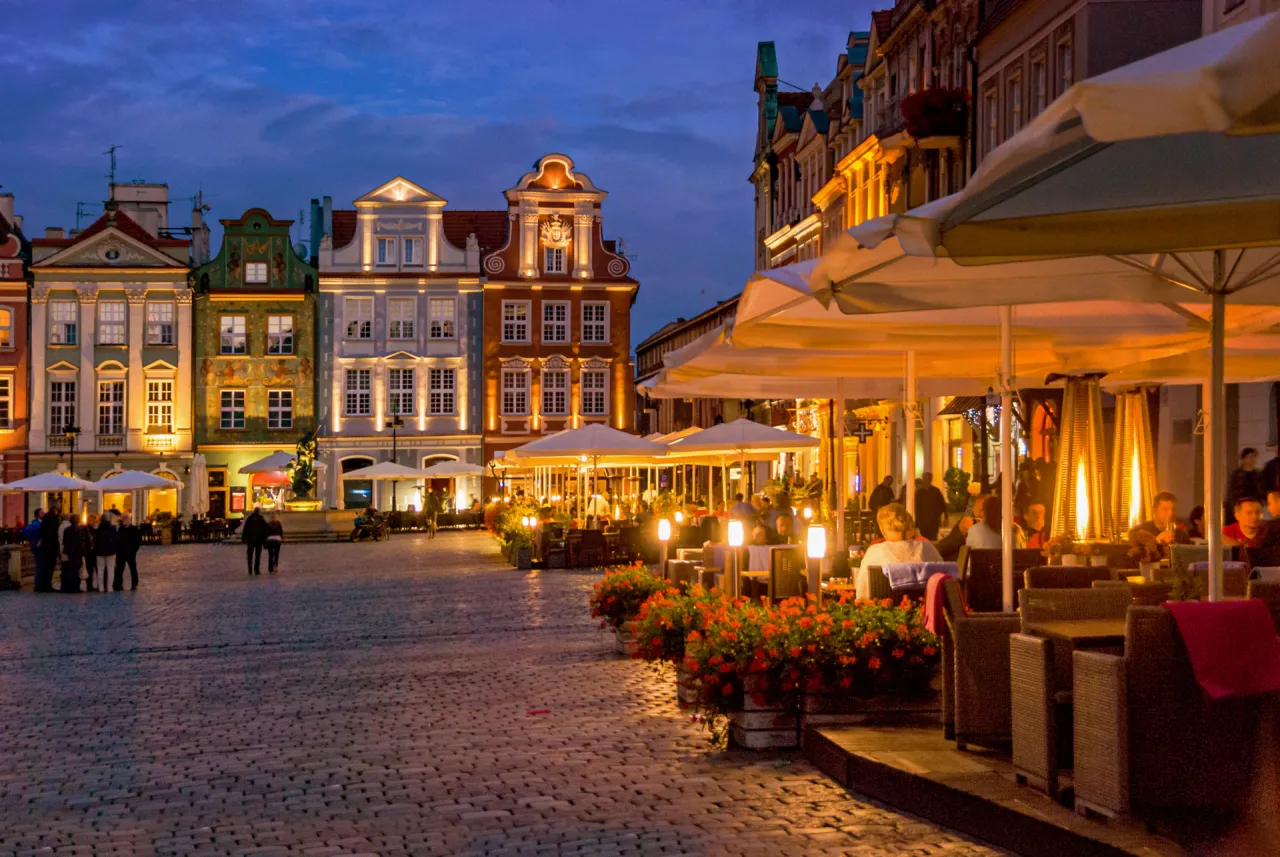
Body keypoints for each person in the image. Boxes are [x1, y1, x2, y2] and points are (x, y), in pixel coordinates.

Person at [859, 503, 942, 582]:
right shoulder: (927, 548)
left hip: (885, 597)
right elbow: (943, 580)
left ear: (882, 530)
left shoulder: (874, 552)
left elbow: (862, 590)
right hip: (922, 597)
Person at [1128, 490, 1189, 561]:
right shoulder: (1140, 531)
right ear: (1154, 511)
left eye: (1173, 509)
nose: (1170, 514)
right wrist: (1157, 541)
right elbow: (1136, 557)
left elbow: (1190, 557)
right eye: (1165, 509)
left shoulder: (1180, 534)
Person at [1226, 447, 1263, 524]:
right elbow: (1231, 492)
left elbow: (1260, 491)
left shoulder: (1258, 474)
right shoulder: (1237, 474)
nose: (1252, 460)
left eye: (1253, 457)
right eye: (1249, 457)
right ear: (1243, 459)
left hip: (1253, 505)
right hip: (1239, 505)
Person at [914, 472, 947, 541]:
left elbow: (942, 504)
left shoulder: (936, 491)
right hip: (922, 521)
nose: (925, 481)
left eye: (927, 479)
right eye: (924, 479)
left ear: (930, 479)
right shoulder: (919, 493)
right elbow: (916, 507)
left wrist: (945, 517)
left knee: (933, 538)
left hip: (933, 520)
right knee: (924, 539)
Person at [36, 508, 61, 593]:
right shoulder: (53, 520)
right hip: (51, 547)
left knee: (45, 567)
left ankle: (44, 585)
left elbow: (42, 532)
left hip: (45, 547)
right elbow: (54, 534)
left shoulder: (45, 520)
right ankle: (47, 585)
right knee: (49, 567)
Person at [113, 514, 141, 590]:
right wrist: (117, 550)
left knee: (133, 569)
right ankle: (118, 585)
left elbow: (138, 541)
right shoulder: (120, 529)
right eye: (123, 519)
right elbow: (117, 540)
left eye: (126, 519)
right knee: (119, 570)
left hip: (130, 553)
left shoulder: (134, 529)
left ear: (129, 520)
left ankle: (134, 584)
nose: (124, 520)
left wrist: (133, 550)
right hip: (121, 553)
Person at [59, 514, 85, 593]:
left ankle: (70, 586)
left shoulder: (67, 529)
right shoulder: (80, 530)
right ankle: (75, 587)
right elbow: (81, 542)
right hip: (77, 552)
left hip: (70, 552)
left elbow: (65, 541)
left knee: (70, 569)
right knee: (76, 570)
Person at [93, 513, 117, 593]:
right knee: (110, 570)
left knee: (100, 570)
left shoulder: (98, 528)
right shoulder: (112, 528)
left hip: (99, 552)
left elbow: (95, 540)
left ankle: (101, 587)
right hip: (110, 552)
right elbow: (115, 540)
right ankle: (110, 587)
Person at [242, 506, 268, 576]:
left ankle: (250, 568)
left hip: (250, 540)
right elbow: (265, 529)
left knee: (250, 554)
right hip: (259, 540)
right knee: (258, 555)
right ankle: (256, 569)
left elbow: (245, 528)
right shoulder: (261, 518)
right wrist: (265, 538)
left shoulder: (249, 518)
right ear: (259, 511)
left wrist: (243, 538)